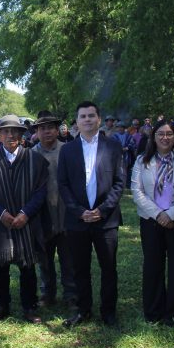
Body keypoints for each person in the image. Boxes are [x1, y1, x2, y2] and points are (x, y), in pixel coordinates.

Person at [0, 115, 48, 323]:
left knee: (28, 266)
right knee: (0, 266)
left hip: (27, 222)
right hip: (0, 222)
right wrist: (0, 213)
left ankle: (30, 307)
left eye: (15, 131)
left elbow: (41, 190)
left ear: (21, 134)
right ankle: (1, 306)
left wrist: (26, 213)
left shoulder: (34, 160)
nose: (10, 135)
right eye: (5, 131)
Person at [59, 101, 125, 328]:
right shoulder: (67, 150)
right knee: (80, 268)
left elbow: (119, 182)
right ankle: (83, 310)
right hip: (77, 220)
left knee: (109, 267)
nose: (87, 119)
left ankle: (109, 312)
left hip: (106, 220)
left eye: (91, 115)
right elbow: (63, 184)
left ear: (99, 119)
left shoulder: (113, 147)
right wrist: (80, 212)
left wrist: (102, 210)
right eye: (83, 116)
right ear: (76, 122)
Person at [131, 120, 174, 326]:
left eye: (169, 134)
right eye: (161, 133)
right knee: (153, 266)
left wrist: (171, 215)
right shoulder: (142, 161)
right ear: (154, 136)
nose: (165, 137)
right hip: (151, 221)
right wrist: (159, 214)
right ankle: (154, 312)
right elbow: (137, 191)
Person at [32, 112, 76, 307]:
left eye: (50, 127)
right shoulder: (31, 154)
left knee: (69, 258)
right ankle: (47, 293)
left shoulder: (68, 150)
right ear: (37, 132)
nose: (47, 131)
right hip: (43, 214)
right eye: (42, 128)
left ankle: (71, 294)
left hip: (67, 212)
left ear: (58, 130)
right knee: (44, 259)